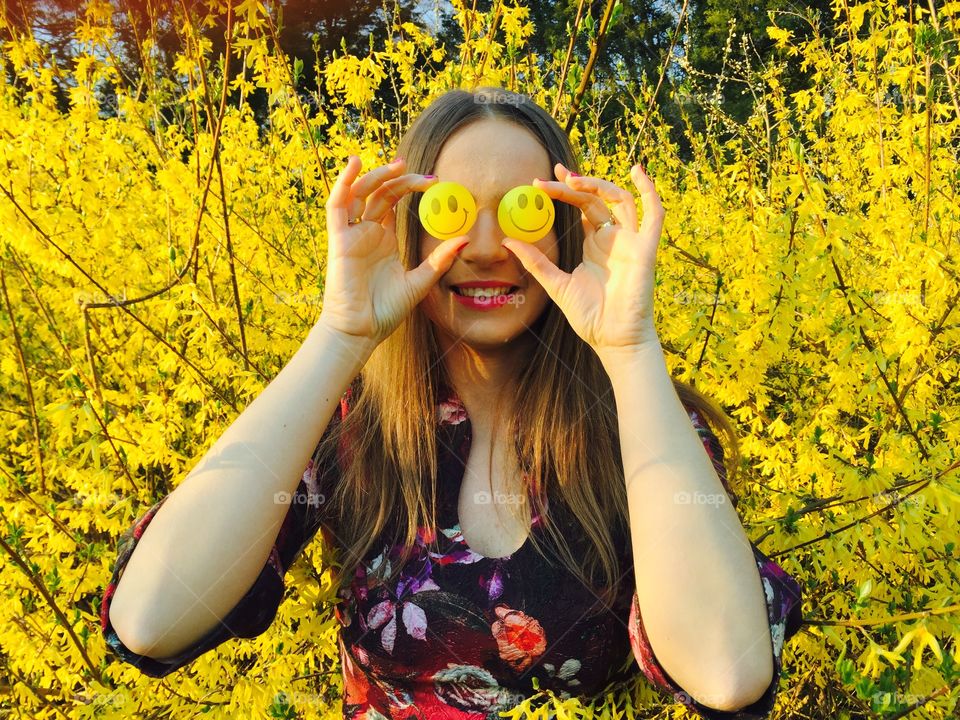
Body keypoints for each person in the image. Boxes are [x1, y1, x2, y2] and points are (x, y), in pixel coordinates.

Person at [100, 86, 803, 719]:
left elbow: (728, 672)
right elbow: (151, 616)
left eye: (525, 209)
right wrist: (339, 336)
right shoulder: (350, 424)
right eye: (452, 211)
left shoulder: (642, 421)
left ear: (566, 230)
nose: (488, 247)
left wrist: (630, 349)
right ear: (407, 228)